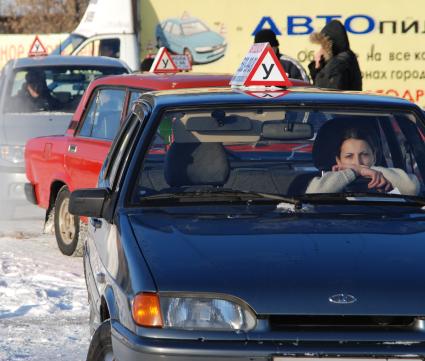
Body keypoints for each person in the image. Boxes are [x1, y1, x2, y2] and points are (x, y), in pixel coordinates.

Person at [306, 127, 420, 195]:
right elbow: (312, 195)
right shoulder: (329, 180)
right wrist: (354, 171)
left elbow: (411, 188)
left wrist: (368, 171)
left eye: (364, 155)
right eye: (349, 156)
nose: (357, 162)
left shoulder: (387, 180)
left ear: (374, 157)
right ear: (338, 161)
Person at [308, 20, 362, 90]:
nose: (321, 50)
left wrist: (319, 69)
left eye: (322, 46)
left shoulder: (337, 64)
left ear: (329, 45)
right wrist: (318, 67)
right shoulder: (346, 58)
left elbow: (326, 92)